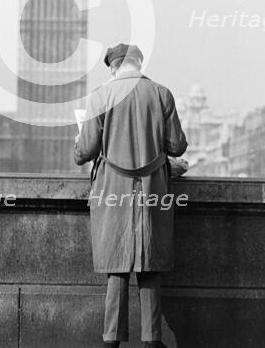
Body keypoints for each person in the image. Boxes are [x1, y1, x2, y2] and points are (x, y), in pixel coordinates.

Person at [74, 43, 188, 348]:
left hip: (113, 190)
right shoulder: (162, 93)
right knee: (149, 262)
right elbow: (177, 145)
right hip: (153, 189)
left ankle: (111, 338)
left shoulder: (100, 96)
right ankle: (152, 339)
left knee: (117, 265)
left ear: (113, 67)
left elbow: (85, 151)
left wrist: (79, 144)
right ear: (138, 64)